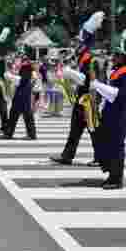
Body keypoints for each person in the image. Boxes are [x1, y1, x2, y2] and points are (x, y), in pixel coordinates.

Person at [50, 21, 101, 166]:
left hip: (89, 98)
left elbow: (89, 80)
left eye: (79, 41)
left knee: (93, 129)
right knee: (75, 128)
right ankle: (67, 155)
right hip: (82, 97)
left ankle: (101, 157)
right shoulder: (83, 56)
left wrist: (69, 72)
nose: (75, 44)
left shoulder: (89, 58)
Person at [88, 46, 126, 189]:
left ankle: (116, 179)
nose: (113, 58)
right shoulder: (117, 70)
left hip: (121, 113)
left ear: (124, 57)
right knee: (106, 141)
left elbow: (120, 95)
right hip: (111, 111)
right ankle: (111, 172)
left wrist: (97, 84)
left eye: (117, 55)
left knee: (116, 145)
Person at [0, 58, 37, 140]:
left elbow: (13, 77)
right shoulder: (28, 73)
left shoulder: (24, 73)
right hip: (23, 95)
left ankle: (9, 134)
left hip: (21, 96)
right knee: (25, 115)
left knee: (15, 115)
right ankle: (31, 134)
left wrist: (9, 72)